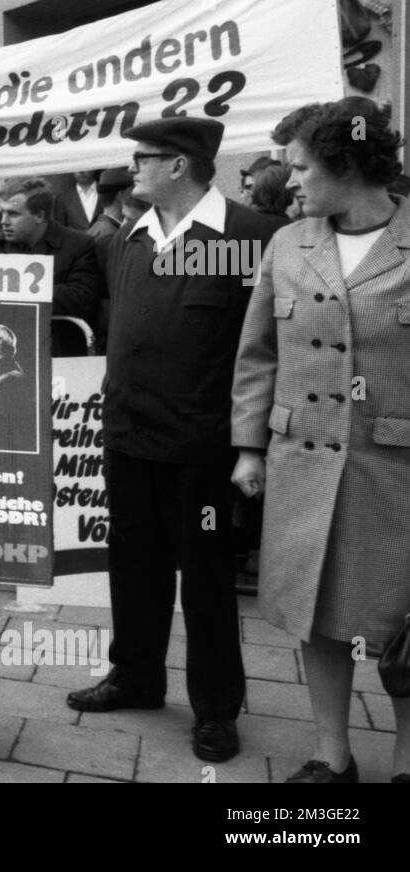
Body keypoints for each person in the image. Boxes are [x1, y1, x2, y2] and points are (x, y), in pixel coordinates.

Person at [65, 117, 289, 764]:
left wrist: (252, 444)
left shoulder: (249, 237)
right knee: (134, 570)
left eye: (143, 159)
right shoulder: (128, 238)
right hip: (129, 437)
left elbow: (267, 346)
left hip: (205, 448)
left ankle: (217, 708)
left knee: (209, 583)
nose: (131, 169)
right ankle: (134, 676)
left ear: (180, 165)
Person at [232, 97, 410, 783]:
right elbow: (257, 353)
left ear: (347, 166)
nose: (291, 181)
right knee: (318, 613)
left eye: (302, 168)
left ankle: (405, 760)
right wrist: (249, 448)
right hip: (302, 463)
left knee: (399, 624)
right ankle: (330, 755)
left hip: (394, 472)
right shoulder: (287, 243)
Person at [0, 176, 100, 329]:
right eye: (3, 212)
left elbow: (82, 300)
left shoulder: (78, 245)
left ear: (39, 216)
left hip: (55, 344)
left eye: (13, 214)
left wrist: (17, 286)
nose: (4, 221)